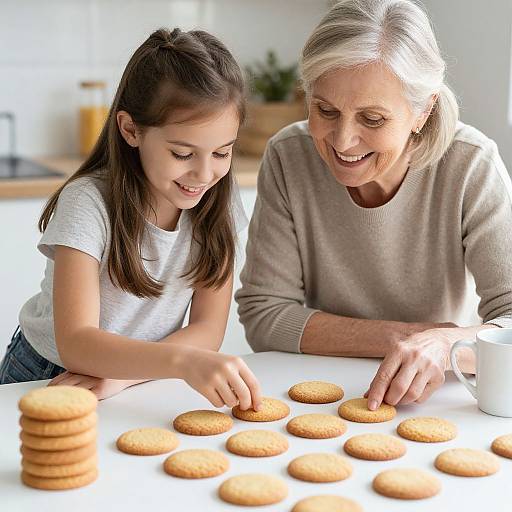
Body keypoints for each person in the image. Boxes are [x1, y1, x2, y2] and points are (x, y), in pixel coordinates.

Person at [236, 0, 512, 411]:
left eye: (373, 119)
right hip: (316, 388)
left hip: (440, 396)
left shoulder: (471, 163)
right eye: (325, 110)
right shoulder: (288, 157)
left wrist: (443, 344)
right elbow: (265, 315)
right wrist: (409, 337)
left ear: (424, 111)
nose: (343, 141)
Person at [0, 27, 262, 412]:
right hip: (49, 371)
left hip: (139, 378)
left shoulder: (216, 201)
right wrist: (182, 362)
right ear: (130, 130)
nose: (204, 174)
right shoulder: (88, 202)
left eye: (222, 153)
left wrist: (123, 377)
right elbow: (76, 342)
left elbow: (208, 328)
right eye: (183, 154)